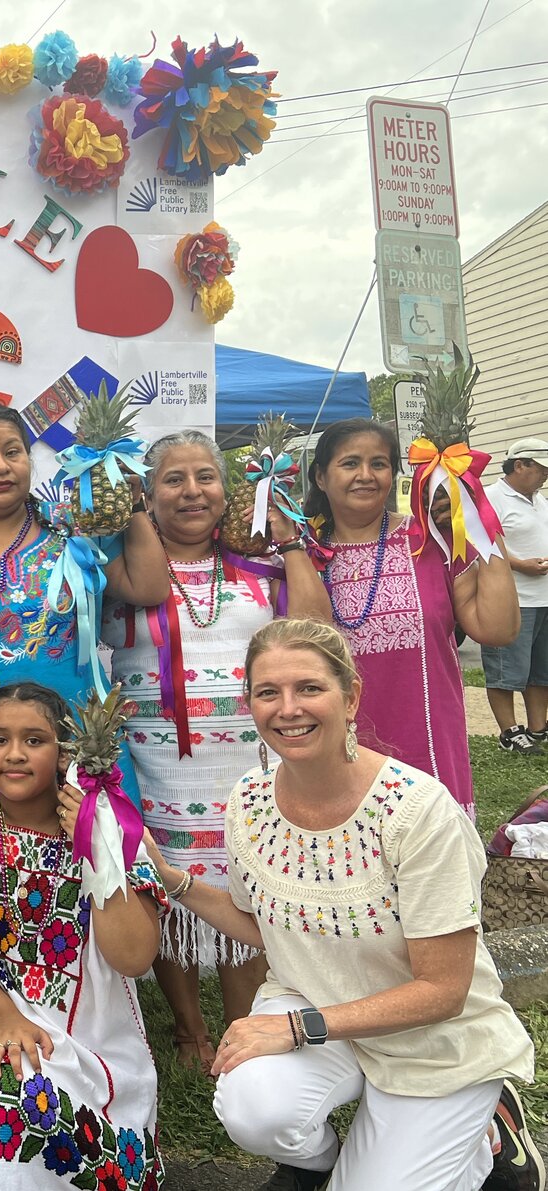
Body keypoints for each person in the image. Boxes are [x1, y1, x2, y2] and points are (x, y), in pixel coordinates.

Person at [144, 618, 538, 1191]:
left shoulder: (418, 812)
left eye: (309, 688)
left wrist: (299, 1028)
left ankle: (488, 1133)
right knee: (254, 1109)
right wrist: (172, 879)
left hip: (430, 1038)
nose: (288, 708)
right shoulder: (249, 801)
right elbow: (269, 927)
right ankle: (319, 1164)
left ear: (350, 696)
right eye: (267, 692)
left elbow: (444, 990)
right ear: (249, 704)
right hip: (314, 998)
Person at [105, 430, 329, 1073]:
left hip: (248, 772)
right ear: (146, 493)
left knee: (247, 894)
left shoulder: (260, 569)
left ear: (227, 490)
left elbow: (315, 632)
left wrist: (286, 539)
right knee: (172, 894)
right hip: (158, 770)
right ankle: (187, 1029)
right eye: (173, 479)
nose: (192, 491)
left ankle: (240, 1027)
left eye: (206, 476)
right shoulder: (124, 574)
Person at [0, 682, 165, 1190]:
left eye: (35, 740)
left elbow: (133, 958)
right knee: (10, 1111)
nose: (14, 754)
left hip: (97, 1036)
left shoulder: (115, 831)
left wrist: (98, 842)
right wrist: (4, 1016)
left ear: (65, 752)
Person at [0, 403, 169, 796]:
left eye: (12, 452)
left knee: (98, 855)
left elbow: (149, 588)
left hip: (82, 751)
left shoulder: (75, 528)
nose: (1, 467)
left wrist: (135, 502)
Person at [304, 418, 520, 816]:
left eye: (379, 464)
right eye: (350, 463)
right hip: (335, 753)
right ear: (320, 476)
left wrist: (483, 527)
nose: (365, 476)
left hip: (429, 750)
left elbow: (498, 629)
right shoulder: (302, 555)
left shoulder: (432, 542)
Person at [482, 438, 548, 754]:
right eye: (541, 470)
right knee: (506, 670)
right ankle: (509, 731)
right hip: (511, 599)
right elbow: (480, 544)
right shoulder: (491, 498)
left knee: (541, 670)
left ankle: (538, 728)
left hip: (543, 598)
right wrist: (520, 564)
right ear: (520, 465)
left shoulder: (539, 500)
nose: (545, 476)